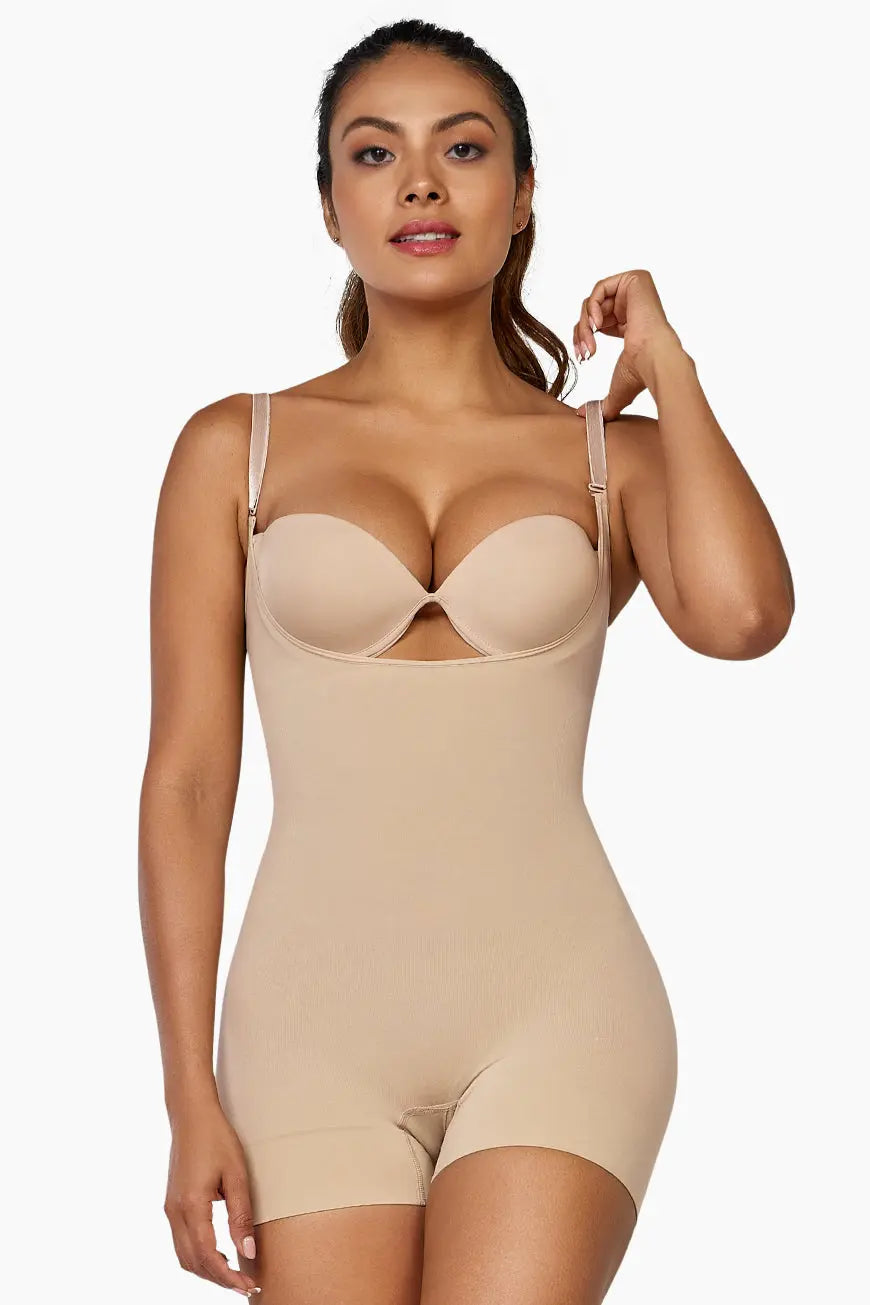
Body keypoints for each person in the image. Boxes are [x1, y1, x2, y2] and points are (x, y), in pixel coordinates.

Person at [138, 19, 795, 1303]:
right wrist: (184, 1095)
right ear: (330, 206)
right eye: (374, 153)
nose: (422, 183)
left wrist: (670, 366)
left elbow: (744, 618)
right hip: (305, 1030)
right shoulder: (235, 448)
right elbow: (188, 784)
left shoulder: (609, 458)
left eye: (466, 148)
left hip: (561, 1009)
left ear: (524, 192)